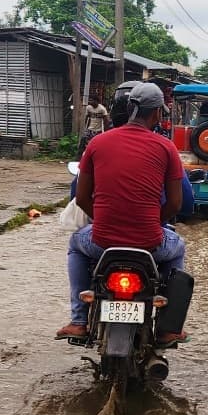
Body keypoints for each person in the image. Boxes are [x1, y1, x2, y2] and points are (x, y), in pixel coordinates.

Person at [58, 82, 189, 343]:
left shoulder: (97, 142)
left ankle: (79, 320)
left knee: (75, 244)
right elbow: (176, 204)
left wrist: (104, 220)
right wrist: (152, 222)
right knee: (178, 248)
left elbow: (81, 198)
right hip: (151, 243)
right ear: (157, 113)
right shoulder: (166, 148)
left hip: (101, 242)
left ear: (130, 108)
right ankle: (168, 328)